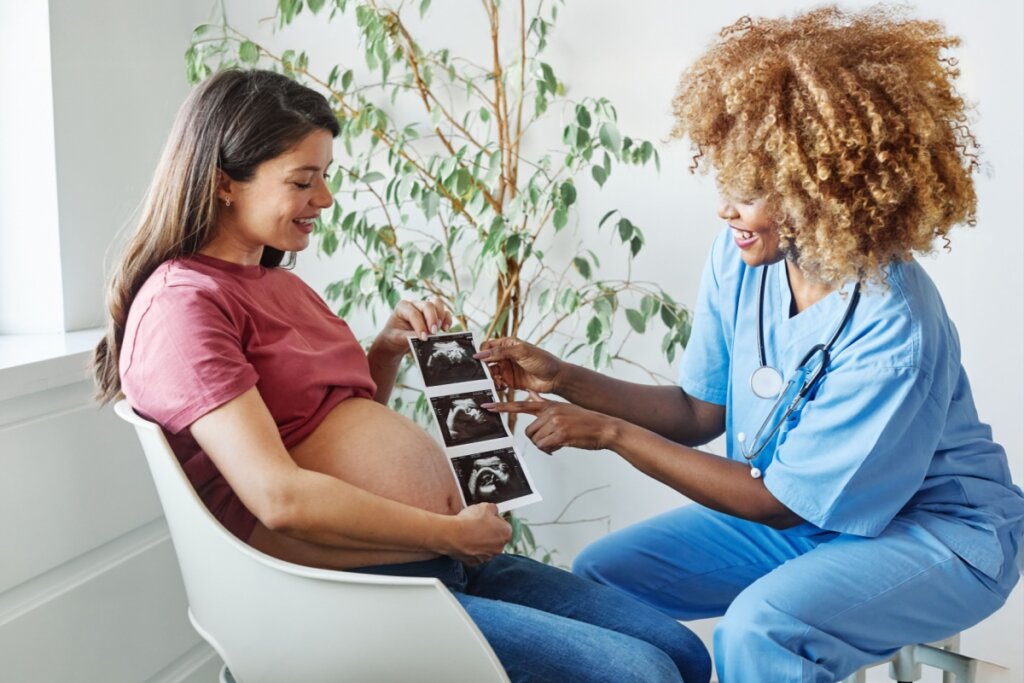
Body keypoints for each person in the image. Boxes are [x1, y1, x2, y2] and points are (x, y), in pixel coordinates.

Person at [91, 68, 711, 683]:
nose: (326, 200)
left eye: (325, 177)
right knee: (641, 674)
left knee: (682, 653)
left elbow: (322, 422)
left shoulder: (277, 284)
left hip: (437, 563)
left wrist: (384, 352)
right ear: (224, 183)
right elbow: (279, 498)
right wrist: (449, 530)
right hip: (346, 592)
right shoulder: (185, 304)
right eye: (303, 181)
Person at [479, 7, 1024, 682]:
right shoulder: (741, 259)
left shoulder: (894, 325)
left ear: (822, 188)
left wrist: (613, 433)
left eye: (752, 191)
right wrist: (561, 374)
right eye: (725, 178)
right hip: (809, 515)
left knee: (760, 629)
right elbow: (698, 413)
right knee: (601, 580)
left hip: (938, 535)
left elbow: (775, 502)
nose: (725, 209)